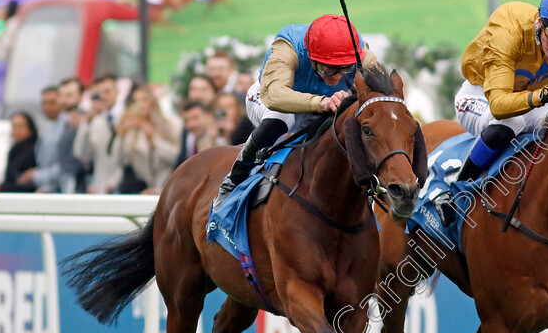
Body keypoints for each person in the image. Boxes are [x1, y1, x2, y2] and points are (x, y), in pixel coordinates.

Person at [212, 14, 377, 210]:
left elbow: (382, 94)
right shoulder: (288, 45)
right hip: (271, 100)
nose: (337, 77)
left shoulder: (357, 47)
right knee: (280, 119)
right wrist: (320, 102)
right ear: (311, 57)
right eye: (327, 69)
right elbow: (274, 95)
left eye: (345, 68)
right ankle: (234, 179)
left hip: (325, 105)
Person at [454, 0, 548, 182]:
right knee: (511, 122)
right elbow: (498, 106)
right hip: (480, 96)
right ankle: (458, 189)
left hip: (532, 101)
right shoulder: (508, 28)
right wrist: (544, 94)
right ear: (539, 23)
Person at [116, 84, 180, 194]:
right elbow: (122, 160)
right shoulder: (132, 130)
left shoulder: (172, 124)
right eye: (135, 101)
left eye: (144, 100)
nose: (140, 105)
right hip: (141, 188)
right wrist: (121, 135)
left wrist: (154, 140)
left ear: (152, 102)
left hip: (167, 186)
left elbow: (176, 156)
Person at [73, 74, 125, 194]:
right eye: (98, 93)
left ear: (117, 92)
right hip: (101, 188)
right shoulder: (95, 121)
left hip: (125, 186)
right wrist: (87, 123)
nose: (103, 97)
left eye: (107, 91)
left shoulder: (127, 116)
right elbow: (81, 153)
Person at [18, 86, 62, 192]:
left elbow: (66, 165)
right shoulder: (46, 126)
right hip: (45, 186)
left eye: (52, 102)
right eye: (44, 103)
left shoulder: (67, 127)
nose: (47, 107)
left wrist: (37, 176)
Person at [0, 112, 38, 193]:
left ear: (30, 128)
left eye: (20, 127)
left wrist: (1, 188)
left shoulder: (35, 150)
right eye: (14, 127)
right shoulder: (14, 149)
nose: (16, 131)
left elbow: (25, 182)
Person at [56, 77, 87, 193]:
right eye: (61, 95)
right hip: (60, 185)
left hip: (78, 186)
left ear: (80, 96)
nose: (64, 100)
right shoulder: (57, 121)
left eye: (69, 95)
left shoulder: (85, 121)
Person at [176, 100, 221, 167]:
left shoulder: (222, 137)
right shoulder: (187, 138)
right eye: (186, 120)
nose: (191, 124)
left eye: (195, 118)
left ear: (209, 116)